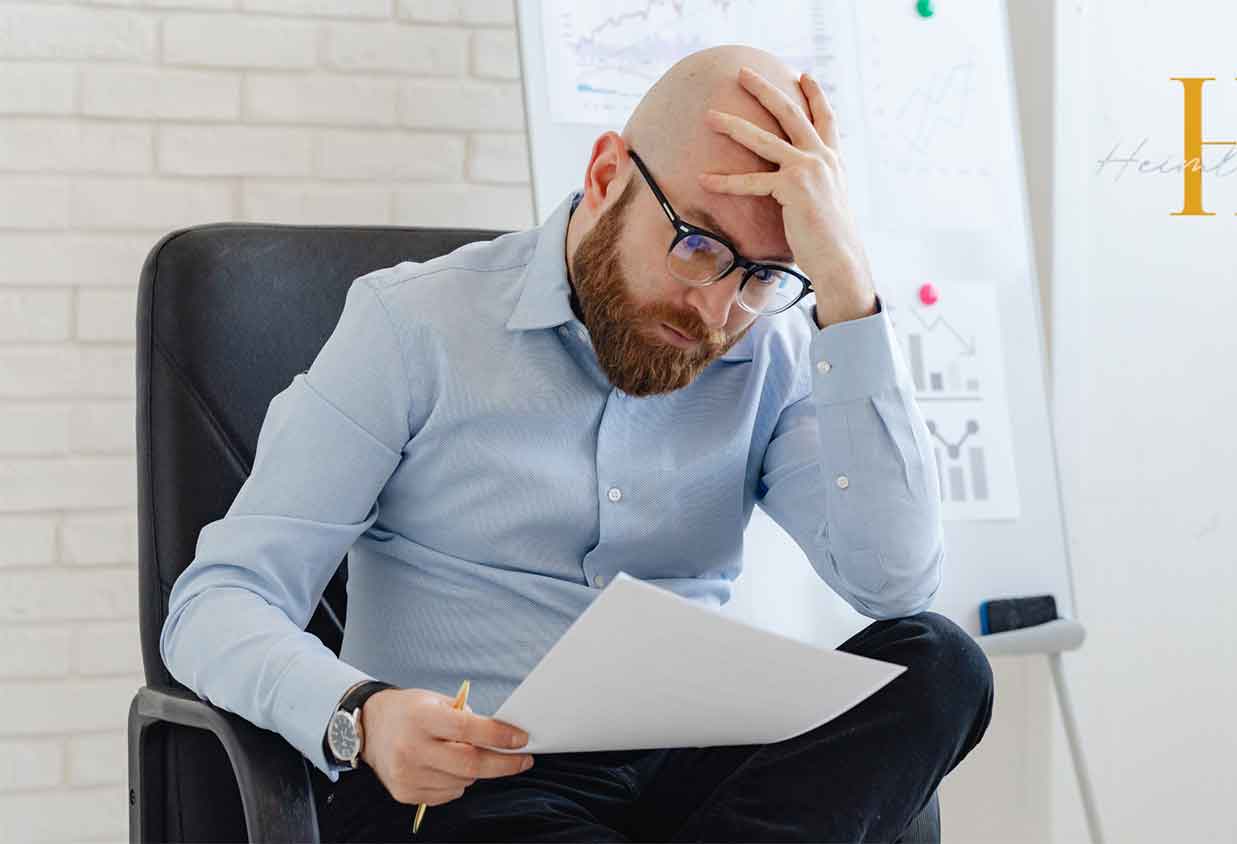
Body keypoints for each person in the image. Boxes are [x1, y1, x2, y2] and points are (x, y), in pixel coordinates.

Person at [159, 44, 993, 842]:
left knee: (942, 664)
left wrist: (846, 287)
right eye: (699, 246)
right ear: (605, 179)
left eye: (765, 275)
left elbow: (895, 581)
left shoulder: (769, 348)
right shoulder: (412, 327)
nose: (716, 313)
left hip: (685, 774)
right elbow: (217, 601)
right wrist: (362, 714)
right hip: (471, 786)